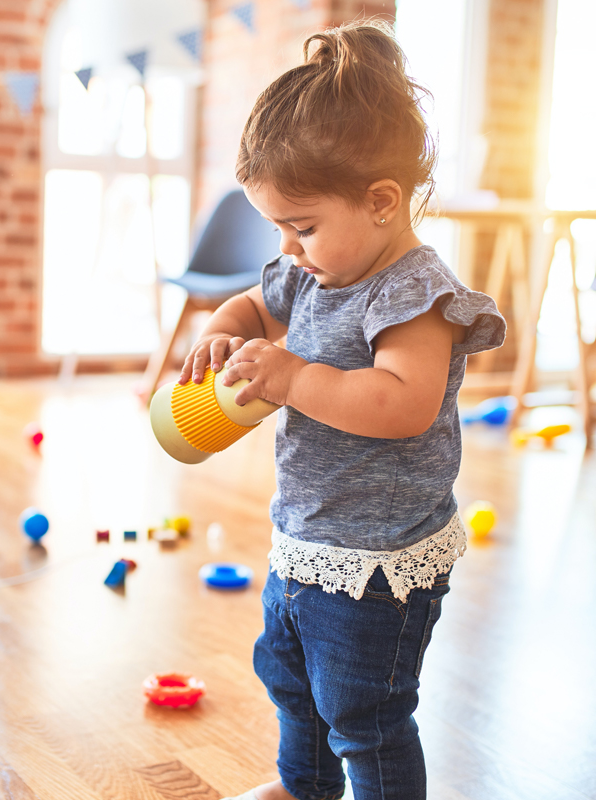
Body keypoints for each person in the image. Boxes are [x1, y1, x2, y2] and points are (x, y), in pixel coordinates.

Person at [178, 19, 506, 800]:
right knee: (291, 680)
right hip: (308, 534)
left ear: (382, 202)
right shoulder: (314, 272)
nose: (288, 248)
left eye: (303, 226)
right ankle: (303, 787)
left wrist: (293, 378)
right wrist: (220, 330)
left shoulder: (413, 296)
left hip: (382, 563)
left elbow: (404, 405)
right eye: (279, 229)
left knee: (366, 712)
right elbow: (254, 305)